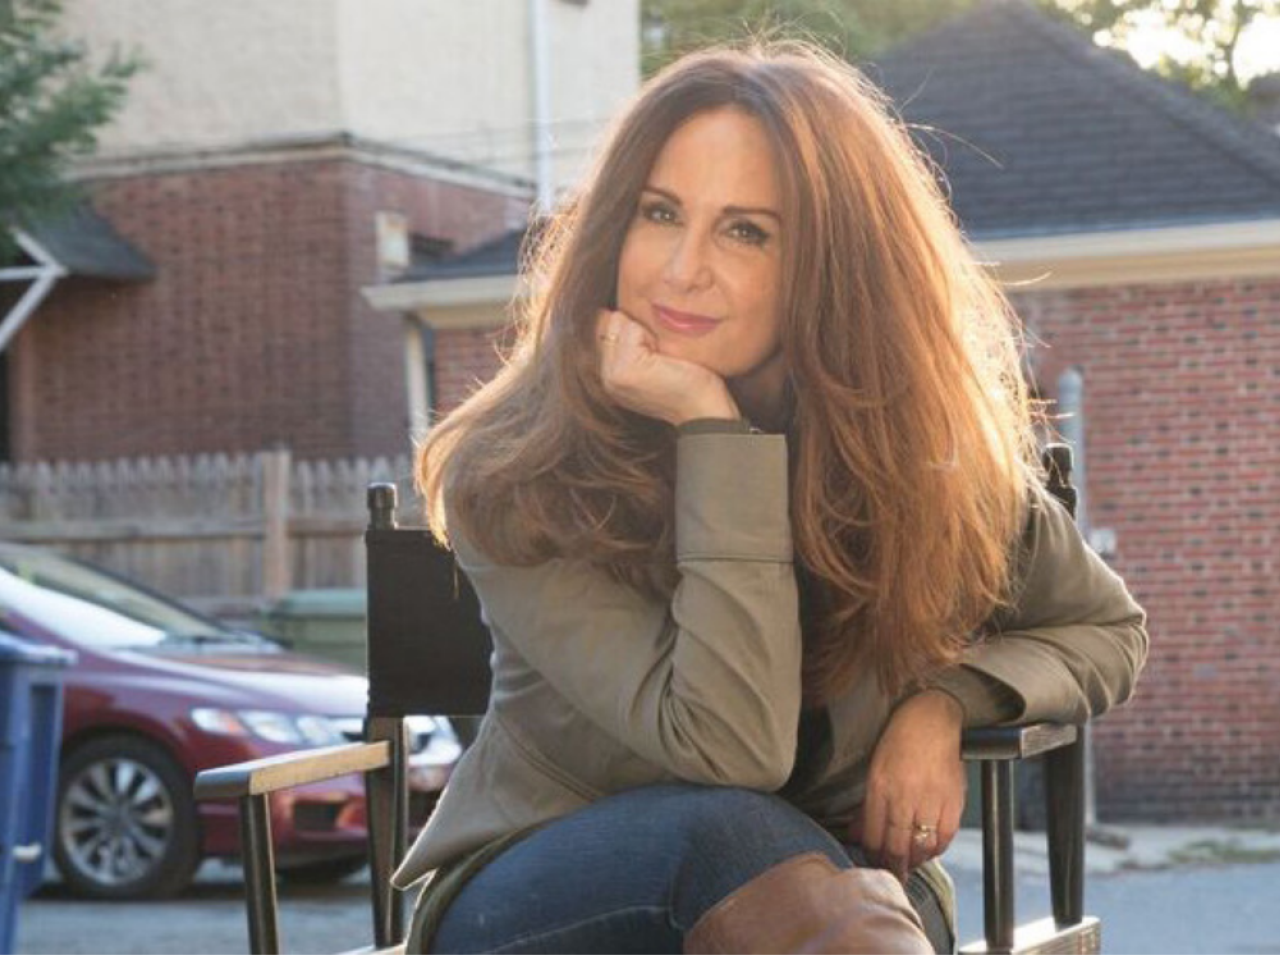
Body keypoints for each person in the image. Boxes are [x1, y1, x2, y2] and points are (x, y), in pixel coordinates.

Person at [394, 40, 1149, 954]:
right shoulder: (520, 470)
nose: (681, 269)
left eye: (746, 231)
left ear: (835, 266)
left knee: (803, 877)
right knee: (729, 837)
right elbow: (731, 751)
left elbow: (1106, 631)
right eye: (659, 213)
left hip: (843, 892)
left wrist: (946, 703)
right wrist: (716, 434)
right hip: (544, 890)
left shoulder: (921, 458)